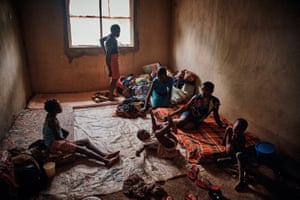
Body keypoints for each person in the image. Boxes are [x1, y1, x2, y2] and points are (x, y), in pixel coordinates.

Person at [43, 98, 120, 168]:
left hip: (55, 142)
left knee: (85, 141)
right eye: (58, 105)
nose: (60, 106)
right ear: (54, 109)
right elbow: (58, 138)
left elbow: (54, 132)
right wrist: (67, 142)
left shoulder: (50, 116)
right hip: (54, 145)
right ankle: (107, 162)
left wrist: (63, 134)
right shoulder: (52, 120)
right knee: (82, 149)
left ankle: (104, 155)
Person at [217, 118, 249, 192]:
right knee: (219, 161)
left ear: (243, 131)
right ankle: (242, 169)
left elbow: (239, 150)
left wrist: (235, 140)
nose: (238, 131)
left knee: (239, 155)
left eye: (241, 130)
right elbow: (223, 142)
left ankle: (241, 180)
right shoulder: (229, 130)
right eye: (237, 128)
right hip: (232, 157)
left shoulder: (242, 138)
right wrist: (228, 137)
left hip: (237, 156)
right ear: (233, 125)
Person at [100, 24, 121, 100]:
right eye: (118, 31)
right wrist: (109, 68)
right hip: (112, 61)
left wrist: (104, 50)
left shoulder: (110, 37)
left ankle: (111, 93)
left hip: (113, 60)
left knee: (114, 78)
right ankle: (111, 96)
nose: (119, 33)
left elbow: (101, 40)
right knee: (114, 79)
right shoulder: (112, 40)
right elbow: (108, 56)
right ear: (114, 31)